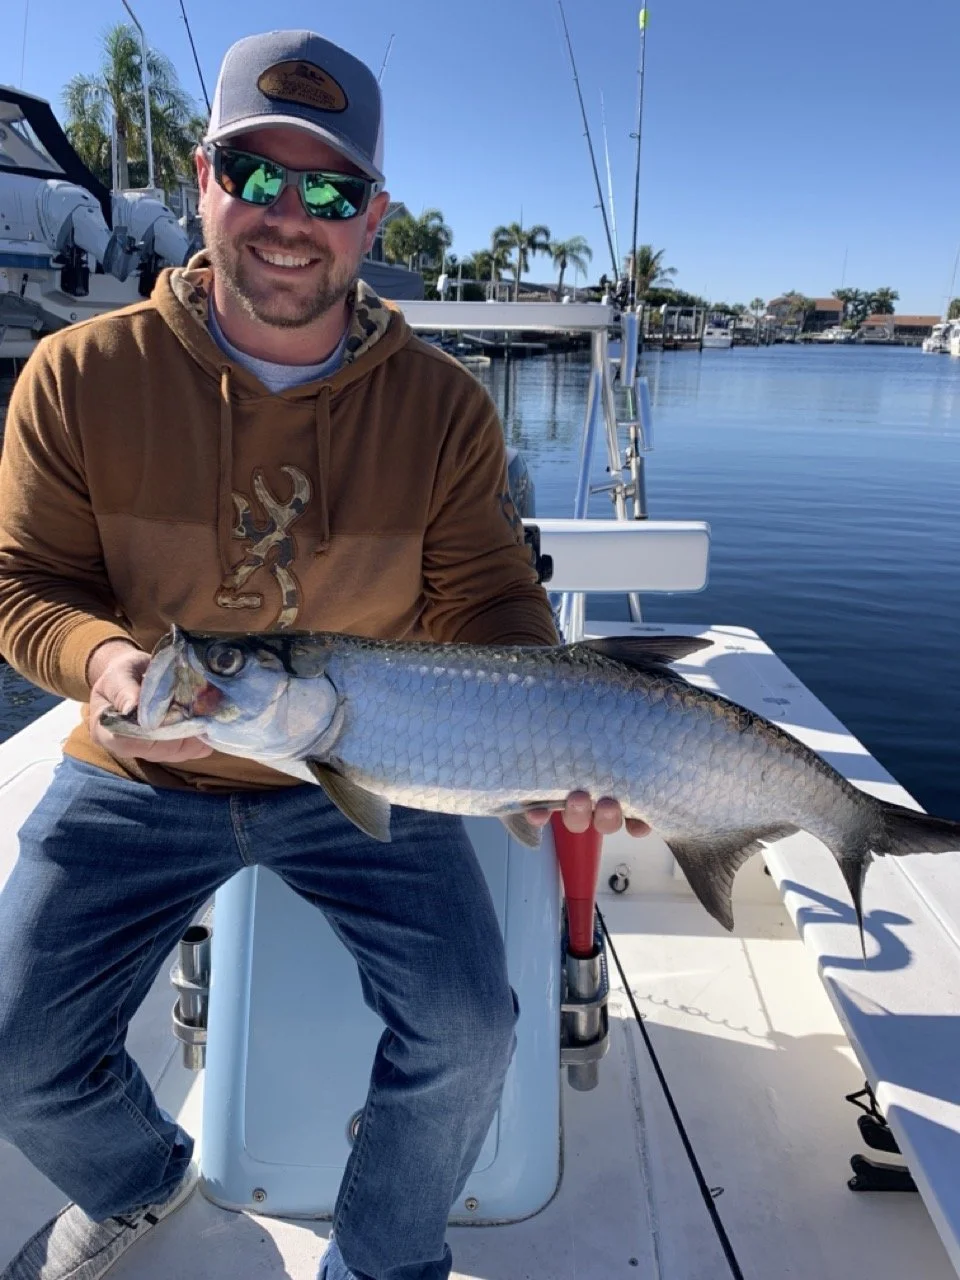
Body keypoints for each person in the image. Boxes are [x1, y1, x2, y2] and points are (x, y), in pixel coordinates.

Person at [0, 30, 647, 1280]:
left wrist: (556, 736)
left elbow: (493, 605)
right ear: (203, 181)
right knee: (15, 1046)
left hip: (371, 764)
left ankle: (385, 1258)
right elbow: (24, 588)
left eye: (333, 191)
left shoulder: (445, 406)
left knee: (468, 1028)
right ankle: (137, 1173)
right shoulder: (78, 378)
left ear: (371, 218)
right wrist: (107, 667)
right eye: (259, 176)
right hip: (144, 768)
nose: (292, 217)